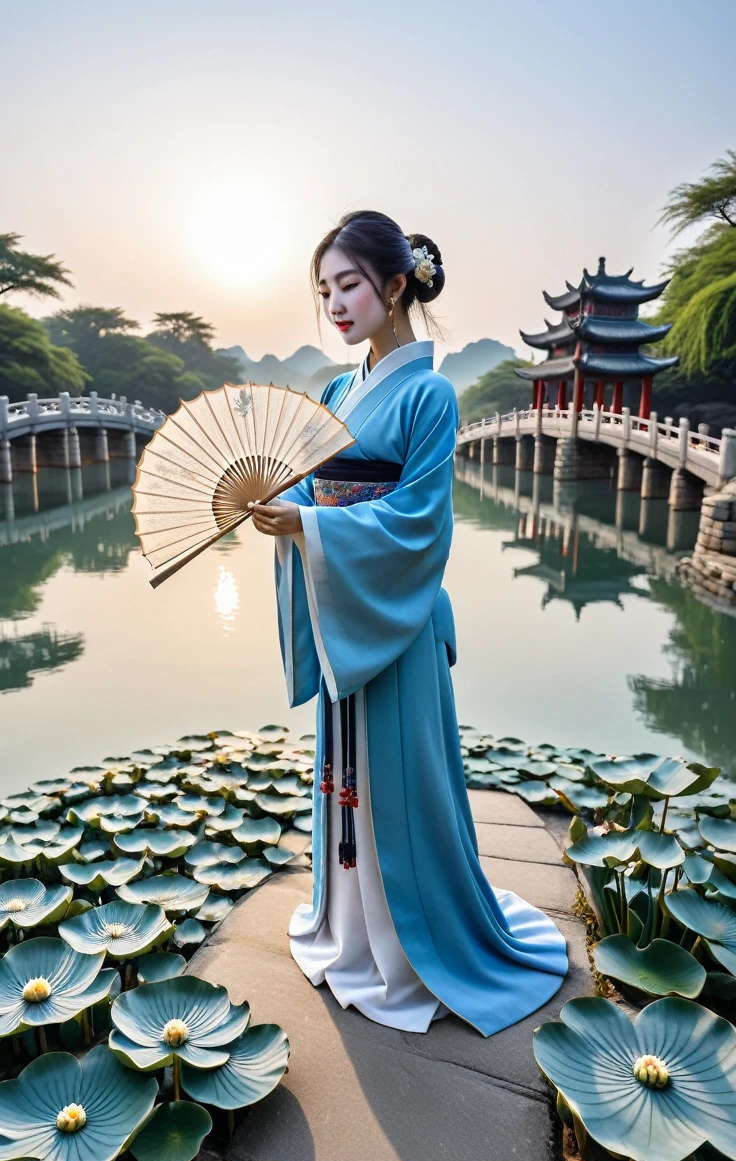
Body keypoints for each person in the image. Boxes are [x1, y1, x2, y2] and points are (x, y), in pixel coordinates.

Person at [248, 210, 568, 1036]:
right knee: (344, 780)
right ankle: (350, 932)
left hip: (395, 620)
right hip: (340, 611)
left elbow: (423, 523)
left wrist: (313, 530)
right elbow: (317, 493)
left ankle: (412, 952)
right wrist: (288, 513)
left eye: (348, 284)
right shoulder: (332, 390)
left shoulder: (431, 396)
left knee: (402, 785)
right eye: (323, 290)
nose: (335, 303)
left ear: (395, 286)